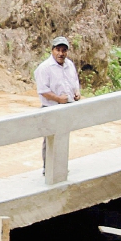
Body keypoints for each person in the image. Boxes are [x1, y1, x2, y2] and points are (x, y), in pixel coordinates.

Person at [35, 36, 81, 170]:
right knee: (50, 139)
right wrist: (58, 99)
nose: (61, 53)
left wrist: (76, 92)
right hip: (50, 108)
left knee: (63, 138)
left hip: (66, 108)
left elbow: (74, 82)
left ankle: (61, 167)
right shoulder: (44, 68)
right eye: (58, 50)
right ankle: (48, 168)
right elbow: (43, 90)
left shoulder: (69, 65)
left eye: (64, 50)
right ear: (52, 50)